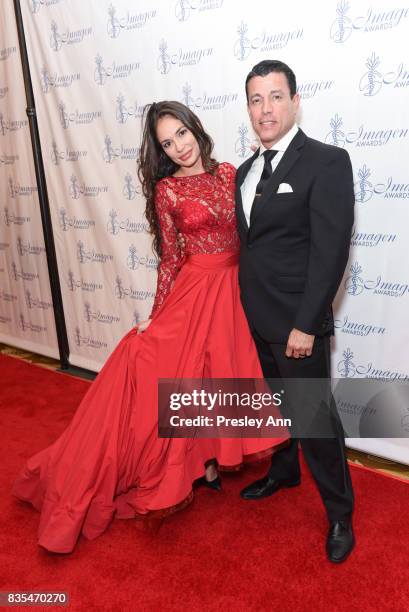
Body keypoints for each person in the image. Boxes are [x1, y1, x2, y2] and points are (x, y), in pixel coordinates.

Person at [12, 100, 285, 554]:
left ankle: (211, 463)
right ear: (160, 150)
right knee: (182, 378)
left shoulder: (229, 174)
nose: (178, 146)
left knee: (220, 378)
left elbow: (249, 234)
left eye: (181, 133)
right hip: (195, 291)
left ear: (195, 128)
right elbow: (171, 260)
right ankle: (199, 469)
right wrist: (157, 319)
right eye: (167, 142)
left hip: (235, 289)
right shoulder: (167, 193)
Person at [236, 60, 355, 563]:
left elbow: (330, 252)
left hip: (296, 327)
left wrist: (306, 324)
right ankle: (284, 472)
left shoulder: (326, 162)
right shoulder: (244, 172)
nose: (266, 109)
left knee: (314, 419)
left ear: (295, 100)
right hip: (256, 319)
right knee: (280, 409)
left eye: (275, 97)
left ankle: (339, 514)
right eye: (256, 100)